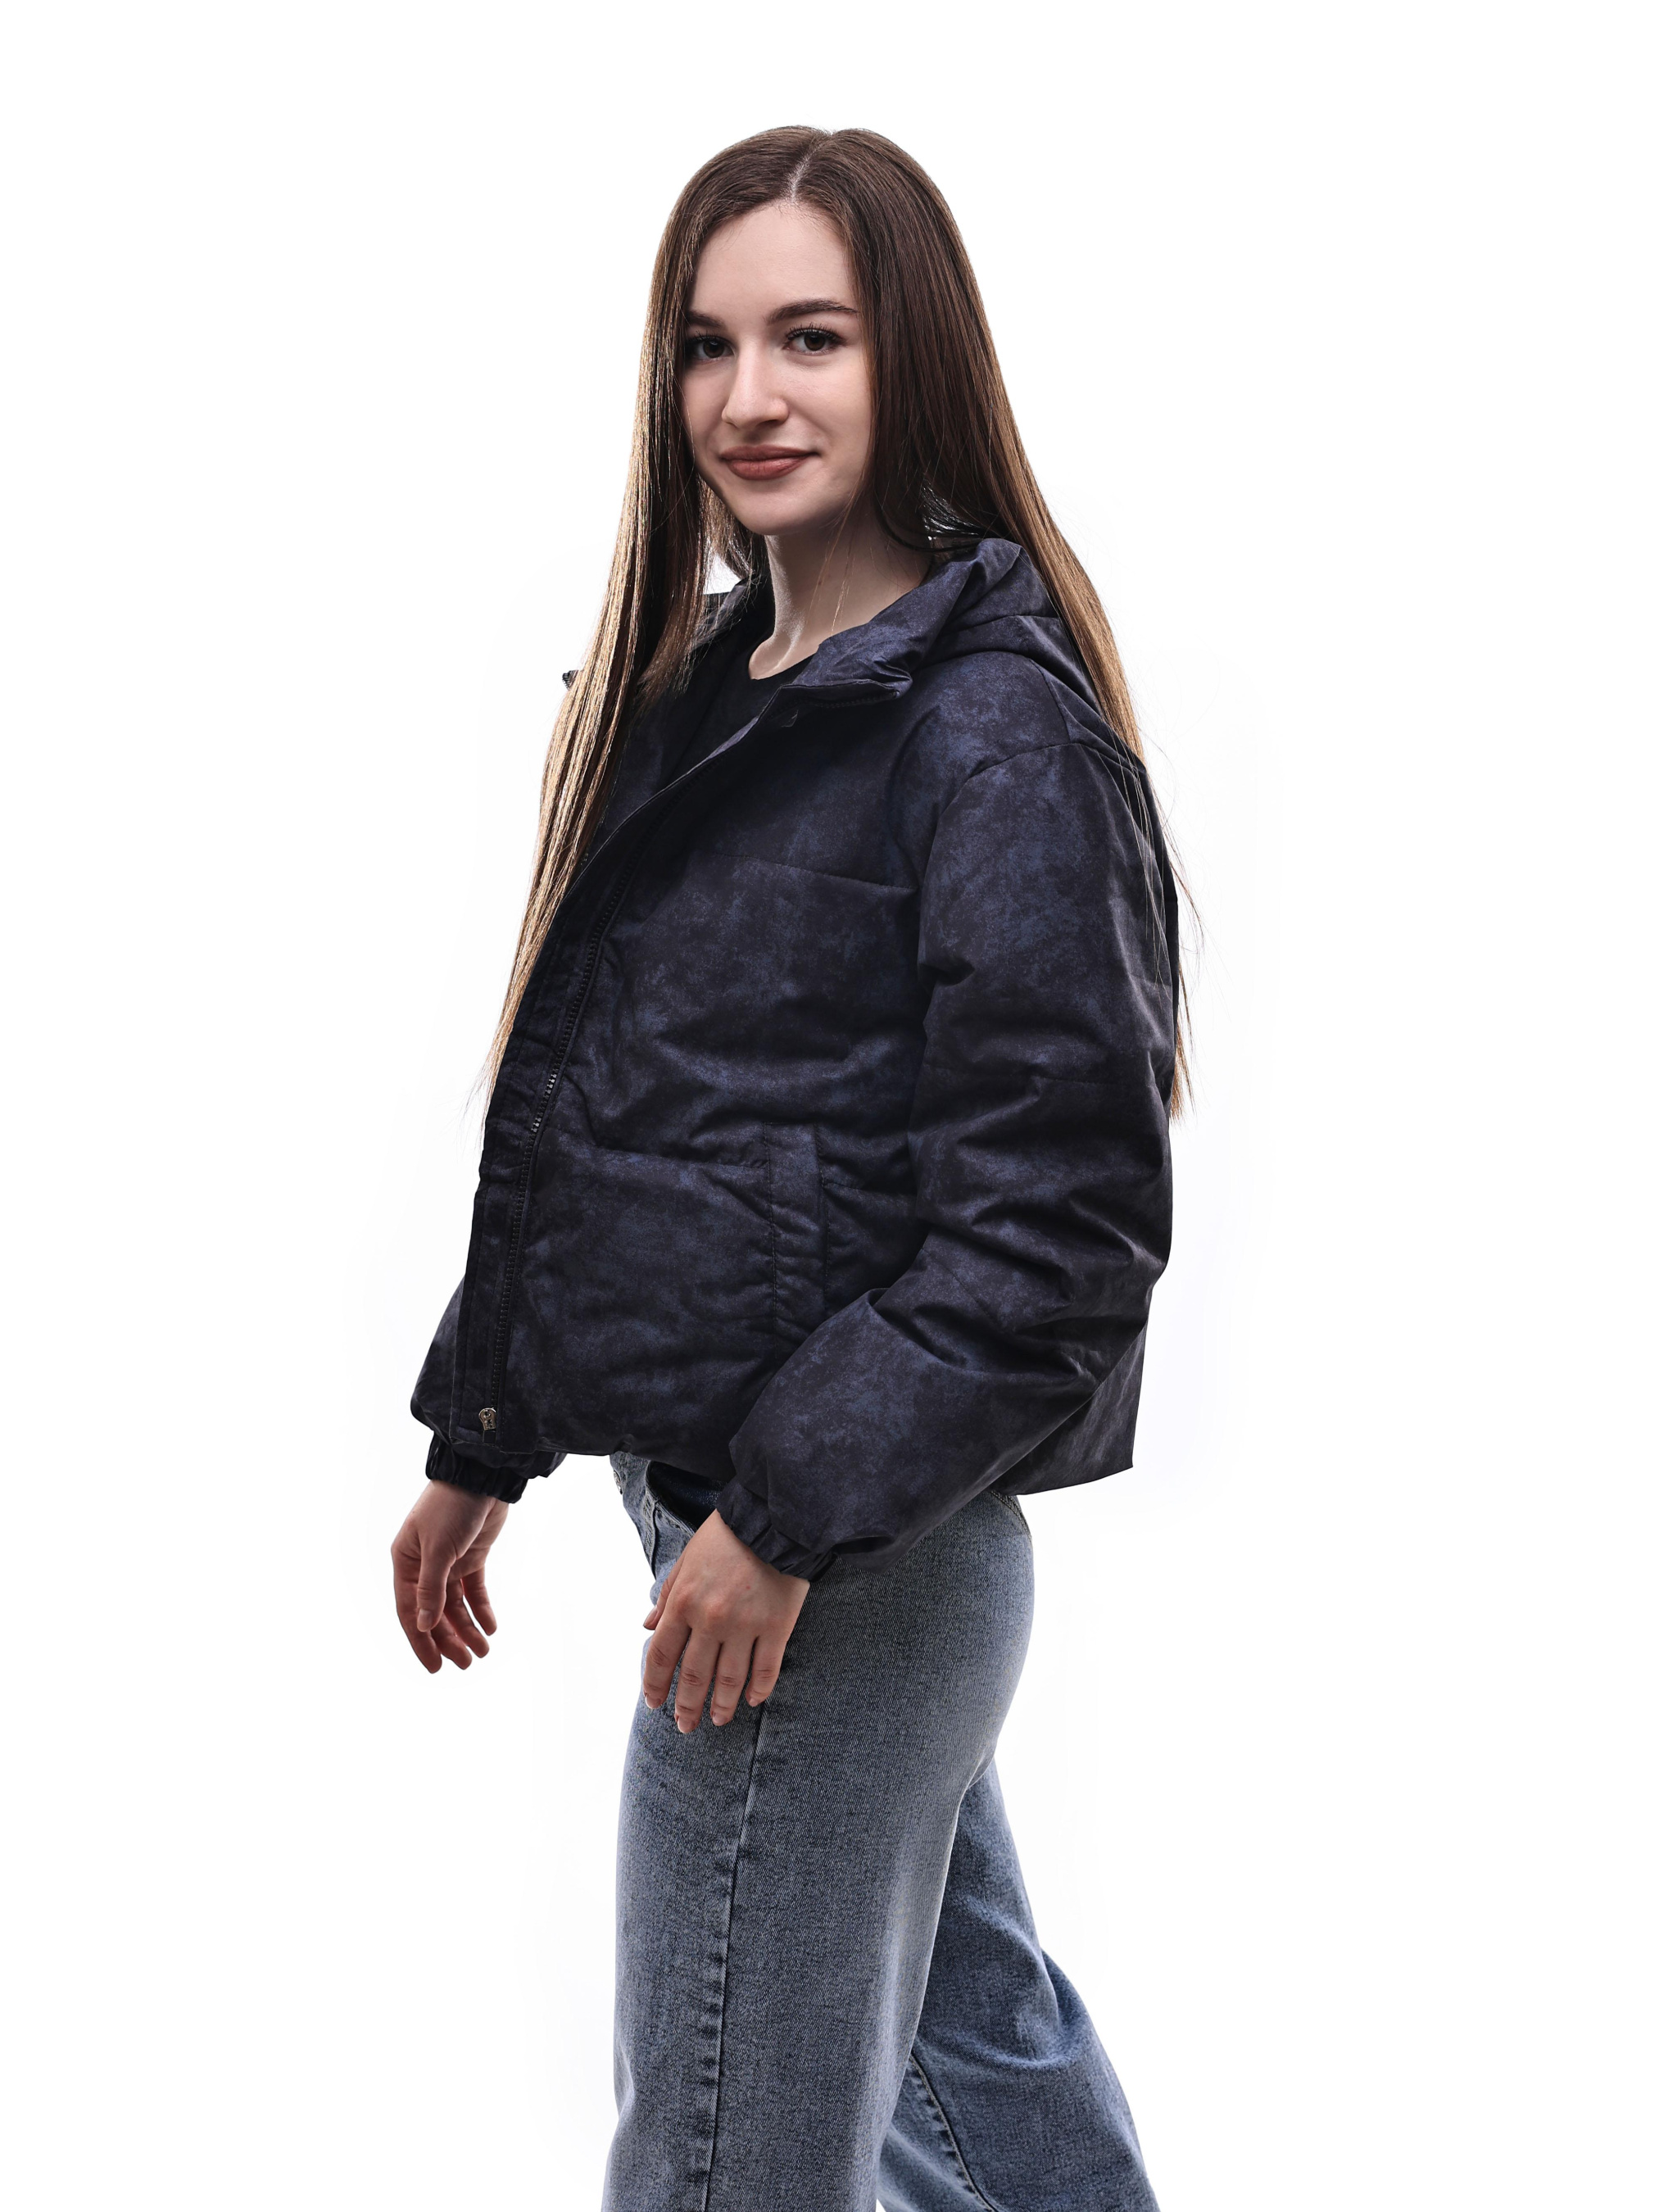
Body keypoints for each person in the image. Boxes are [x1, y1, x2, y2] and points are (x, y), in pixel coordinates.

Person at [392, 125, 1181, 2212]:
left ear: (910, 354)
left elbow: (1059, 1229)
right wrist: (488, 1432)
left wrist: (775, 1517)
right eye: (706, 344)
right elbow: (621, 1126)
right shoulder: (699, 704)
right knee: (987, 2120)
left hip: (833, 1572)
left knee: (719, 2162)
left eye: (809, 338)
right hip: (755, 1542)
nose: (747, 396)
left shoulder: (990, 732)